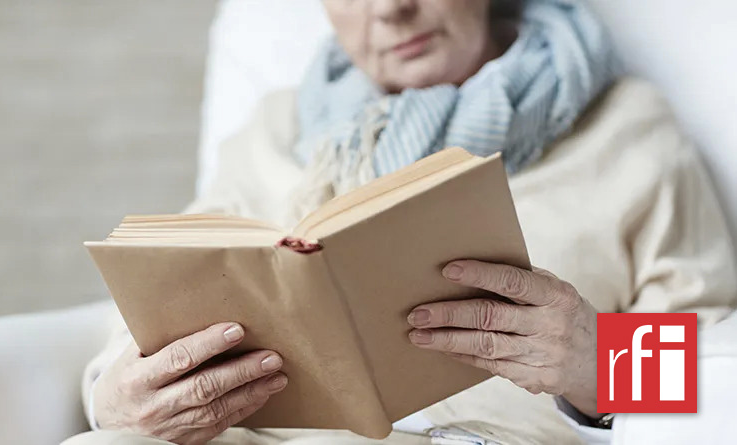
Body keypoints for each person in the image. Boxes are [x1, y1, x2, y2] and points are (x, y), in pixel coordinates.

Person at [64, 0, 737, 444]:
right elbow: (144, 315)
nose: (390, 8)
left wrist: (596, 360)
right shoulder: (280, 126)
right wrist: (121, 400)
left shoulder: (628, 127)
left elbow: (717, 366)